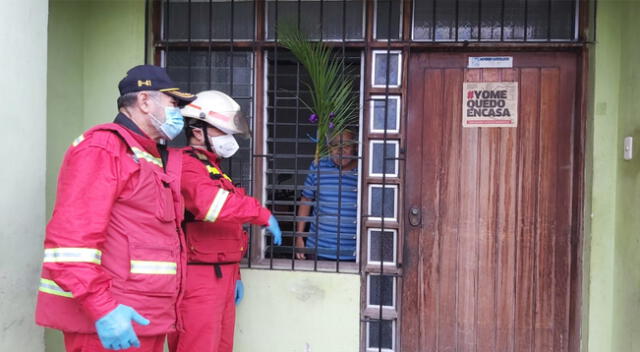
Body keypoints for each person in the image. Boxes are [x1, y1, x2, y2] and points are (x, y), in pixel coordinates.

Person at [35, 65, 196, 352]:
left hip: (143, 320)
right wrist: (104, 310)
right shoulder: (103, 149)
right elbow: (70, 246)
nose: (178, 114)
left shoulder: (145, 157)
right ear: (145, 101)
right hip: (111, 322)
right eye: (173, 104)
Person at [168, 90, 282, 352]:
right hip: (198, 278)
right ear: (198, 131)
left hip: (222, 274)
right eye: (223, 132)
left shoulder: (212, 168)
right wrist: (261, 214)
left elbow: (226, 227)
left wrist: (236, 273)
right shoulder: (186, 165)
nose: (229, 140)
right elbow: (211, 205)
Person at [295, 129, 358, 260]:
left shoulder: (364, 170)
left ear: (355, 147)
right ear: (329, 147)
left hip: (353, 254)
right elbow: (306, 199)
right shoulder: (318, 166)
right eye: (335, 145)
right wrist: (299, 237)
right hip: (318, 250)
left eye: (346, 145)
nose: (340, 150)